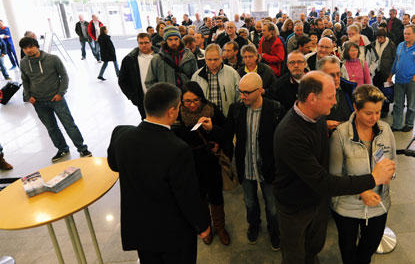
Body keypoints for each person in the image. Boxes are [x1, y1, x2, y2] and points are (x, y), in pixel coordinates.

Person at [273, 71, 396, 264]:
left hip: (316, 201)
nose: (335, 102)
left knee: (313, 248)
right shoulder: (290, 135)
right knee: (295, 255)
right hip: (296, 207)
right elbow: (324, 181)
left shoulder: (317, 117)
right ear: (312, 98)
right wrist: (372, 179)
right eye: (330, 97)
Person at [107, 83, 211, 263]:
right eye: (179, 107)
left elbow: (114, 165)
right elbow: (187, 195)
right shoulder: (178, 149)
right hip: (173, 234)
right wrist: (202, 225)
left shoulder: (121, 135)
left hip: (141, 230)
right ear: (171, 111)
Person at [329, 84, 396, 264]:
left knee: (368, 249)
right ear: (356, 108)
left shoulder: (385, 131)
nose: (374, 118)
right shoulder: (340, 135)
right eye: (368, 113)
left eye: (378, 112)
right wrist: (362, 191)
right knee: (348, 250)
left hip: (379, 205)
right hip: (347, 208)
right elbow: (334, 178)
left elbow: (392, 162)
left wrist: (390, 174)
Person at [224, 73, 283, 250]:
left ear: (260, 91)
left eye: (247, 92)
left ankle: (275, 231)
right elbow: (226, 134)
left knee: (272, 206)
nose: (242, 96)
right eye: (240, 91)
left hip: (268, 167)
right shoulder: (236, 109)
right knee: (249, 202)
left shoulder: (276, 109)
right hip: (246, 165)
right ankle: (254, 225)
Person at [172, 81, 231, 246]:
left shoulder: (211, 109)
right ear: (181, 101)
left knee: (216, 196)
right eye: (187, 101)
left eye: (196, 100)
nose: (192, 105)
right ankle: (206, 228)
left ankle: (220, 227)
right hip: (189, 165)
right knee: (199, 199)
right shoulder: (177, 115)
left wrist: (213, 131)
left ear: (202, 98)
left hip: (211, 161)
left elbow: (226, 132)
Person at [19, 37, 92, 162]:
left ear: (37, 46)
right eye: (25, 48)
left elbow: (64, 76)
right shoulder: (24, 62)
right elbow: (25, 80)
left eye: (30, 47)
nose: (28, 50)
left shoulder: (52, 59)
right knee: (51, 128)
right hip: (38, 102)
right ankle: (62, 149)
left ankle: (82, 148)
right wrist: (28, 95)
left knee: (69, 124)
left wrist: (61, 93)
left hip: (56, 99)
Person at [387, 25, 415, 132]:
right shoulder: (400, 45)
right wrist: (391, 75)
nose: (406, 36)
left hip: (412, 81)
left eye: (408, 34)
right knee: (397, 104)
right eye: (405, 34)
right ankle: (397, 125)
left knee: (411, 105)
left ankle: (409, 124)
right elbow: (396, 62)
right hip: (399, 80)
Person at [191, 43, 241, 116]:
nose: (212, 62)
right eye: (209, 59)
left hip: (227, 118)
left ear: (221, 58)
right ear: (205, 59)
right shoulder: (196, 77)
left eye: (215, 59)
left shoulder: (233, 74)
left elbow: (239, 98)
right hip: (204, 119)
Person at [119, 33, 155, 119]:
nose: (144, 45)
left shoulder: (160, 56)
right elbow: (122, 80)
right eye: (141, 43)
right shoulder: (129, 59)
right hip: (142, 100)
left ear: (151, 43)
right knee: (147, 123)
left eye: (146, 42)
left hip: (161, 98)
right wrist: (132, 97)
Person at [319, 56, 356, 131]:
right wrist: (323, 124)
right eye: (331, 75)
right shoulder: (312, 95)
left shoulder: (349, 90)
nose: (336, 79)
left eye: (338, 74)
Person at [365, 28, 396, 117]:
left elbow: (394, 59)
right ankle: (377, 108)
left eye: (381, 38)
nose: (379, 40)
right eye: (378, 38)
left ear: (385, 37)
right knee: (376, 91)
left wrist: (391, 74)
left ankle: (385, 110)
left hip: (386, 72)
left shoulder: (391, 45)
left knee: (385, 92)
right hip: (376, 72)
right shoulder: (373, 44)